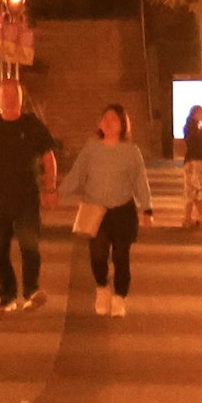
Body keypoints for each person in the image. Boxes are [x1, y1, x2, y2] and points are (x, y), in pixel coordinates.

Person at [0, 77, 60, 313]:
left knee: (30, 245)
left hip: (27, 196)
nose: (9, 98)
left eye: (13, 94)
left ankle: (31, 290)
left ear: (20, 97)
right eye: (4, 94)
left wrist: (50, 188)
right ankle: (7, 295)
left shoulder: (32, 126)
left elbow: (49, 159)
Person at [65, 102, 155, 316]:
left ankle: (119, 298)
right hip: (95, 210)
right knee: (97, 255)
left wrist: (147, 208)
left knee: (121, 256)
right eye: (105, 119)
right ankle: (102, 288)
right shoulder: (91, 147)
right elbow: (77, 174)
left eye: (113, 119)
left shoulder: (131, 152)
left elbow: (140, 181)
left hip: (122, 211)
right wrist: (56, 192)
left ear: (123, 125)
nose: (108, 123)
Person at [177, 105, 202, 228]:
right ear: (194, 114)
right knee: (198, 190)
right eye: (200, 113)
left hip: (190, 160)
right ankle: (196, 218)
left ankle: (189, 218)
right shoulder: (192, 127)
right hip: (196, 161)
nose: (201, 115)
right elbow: (195, 143)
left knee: (191, 190)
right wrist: (201, 131)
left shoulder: (190, 127)